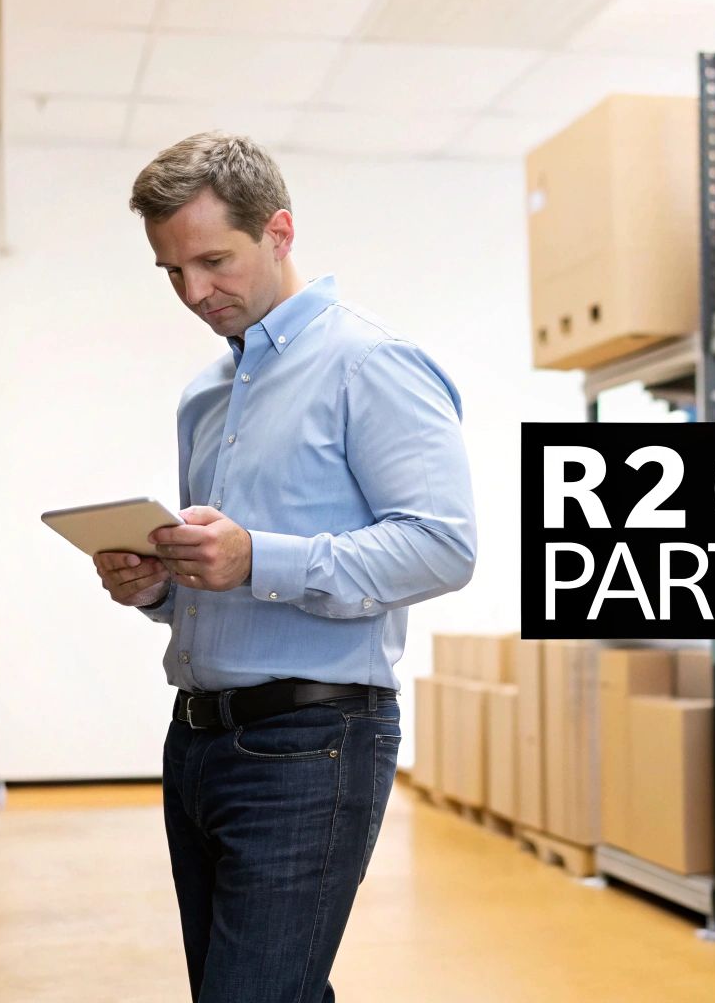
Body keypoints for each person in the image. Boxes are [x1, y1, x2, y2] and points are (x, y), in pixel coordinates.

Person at [90, 131, 476, 1002]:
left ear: (279, 232)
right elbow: (220, 575)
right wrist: (160, 587)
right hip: (196, 741)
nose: (195, 293)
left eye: (213, 261)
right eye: (172, 271)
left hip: (312, 743)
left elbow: (444, 545)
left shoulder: (370, 363)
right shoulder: (205, 397)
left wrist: (257, 556)